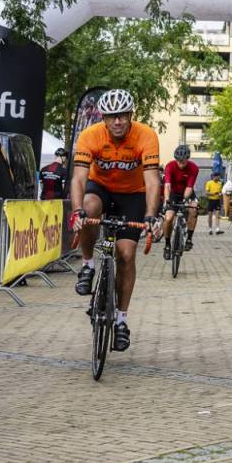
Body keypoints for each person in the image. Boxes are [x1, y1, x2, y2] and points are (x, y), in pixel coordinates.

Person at [68, 89, 162, 352]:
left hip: (133, 195)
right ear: (104, 118)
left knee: (126, 254)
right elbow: (78, 178)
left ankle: (121, 320)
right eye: (112, 117)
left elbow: (152, 179)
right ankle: (88, 265)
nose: (118, 121)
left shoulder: (146, 135)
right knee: (89, 207)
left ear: (131, 115)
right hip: (101, 188)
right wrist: (77, 211)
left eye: (122, 116)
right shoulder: (90, 135)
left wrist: (151, 215)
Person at [161, 144, 201, 255]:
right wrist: (168, 200)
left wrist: (184, 201)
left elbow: (189, 187)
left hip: (187, 193)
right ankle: (167, 244)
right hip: (173, 193)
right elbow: (167, 185)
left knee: (193, 209)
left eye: (183, 161)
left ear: (187, 159)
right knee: (168, 218)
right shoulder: (170, 166)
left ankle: (189, 238)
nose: (180, 164)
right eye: (178, 161)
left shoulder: (193, 168)